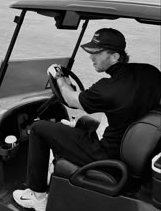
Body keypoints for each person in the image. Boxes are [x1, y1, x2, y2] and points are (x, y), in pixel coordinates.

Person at [13, 28, 161, 211]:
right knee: (82, 122)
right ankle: (53, 171)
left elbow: (70, 99)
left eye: (97, 53)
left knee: (39, 128)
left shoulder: (107, 89)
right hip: (134, 146)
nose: (91, 58)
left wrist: (58, 76)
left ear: (115, 56)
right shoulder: (150, 73)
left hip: (108, 156)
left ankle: (38, 196)